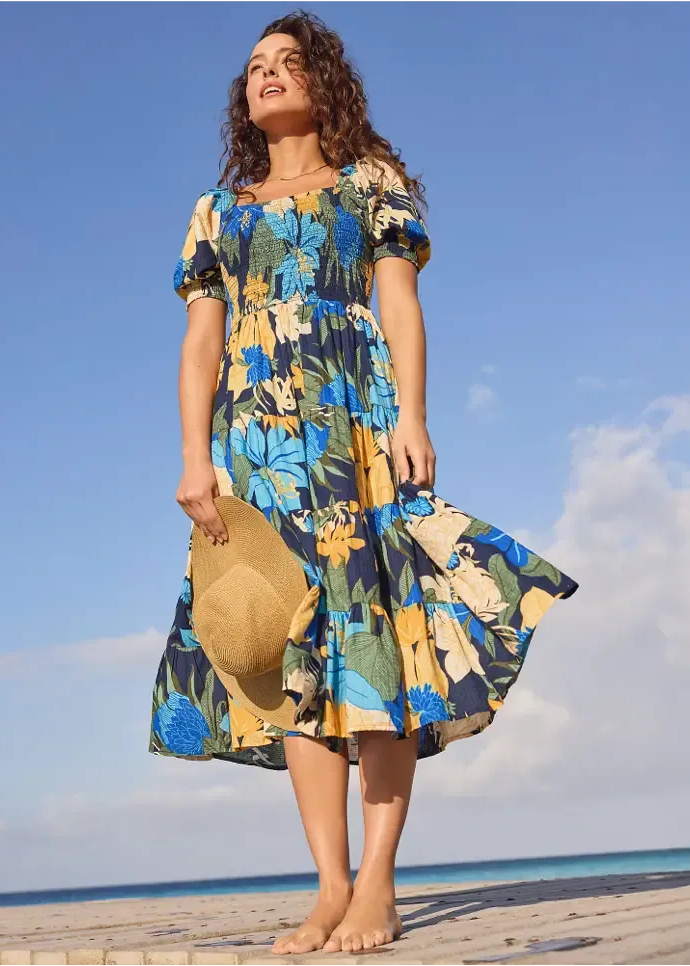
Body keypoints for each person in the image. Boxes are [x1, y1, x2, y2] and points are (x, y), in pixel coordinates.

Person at [149, 9, 578, 956]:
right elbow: (200, 343)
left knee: (373, 641)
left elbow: (399, 303)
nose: (266, 75)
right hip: (257, 453)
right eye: (254, 66)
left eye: (287, 62)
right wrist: (194, 459)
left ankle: (379, 883)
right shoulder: (216, 213)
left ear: (323, 83)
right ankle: (330, 886)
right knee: (286, 658)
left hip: (357, 435)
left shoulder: (370, 186)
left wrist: (414, 418)